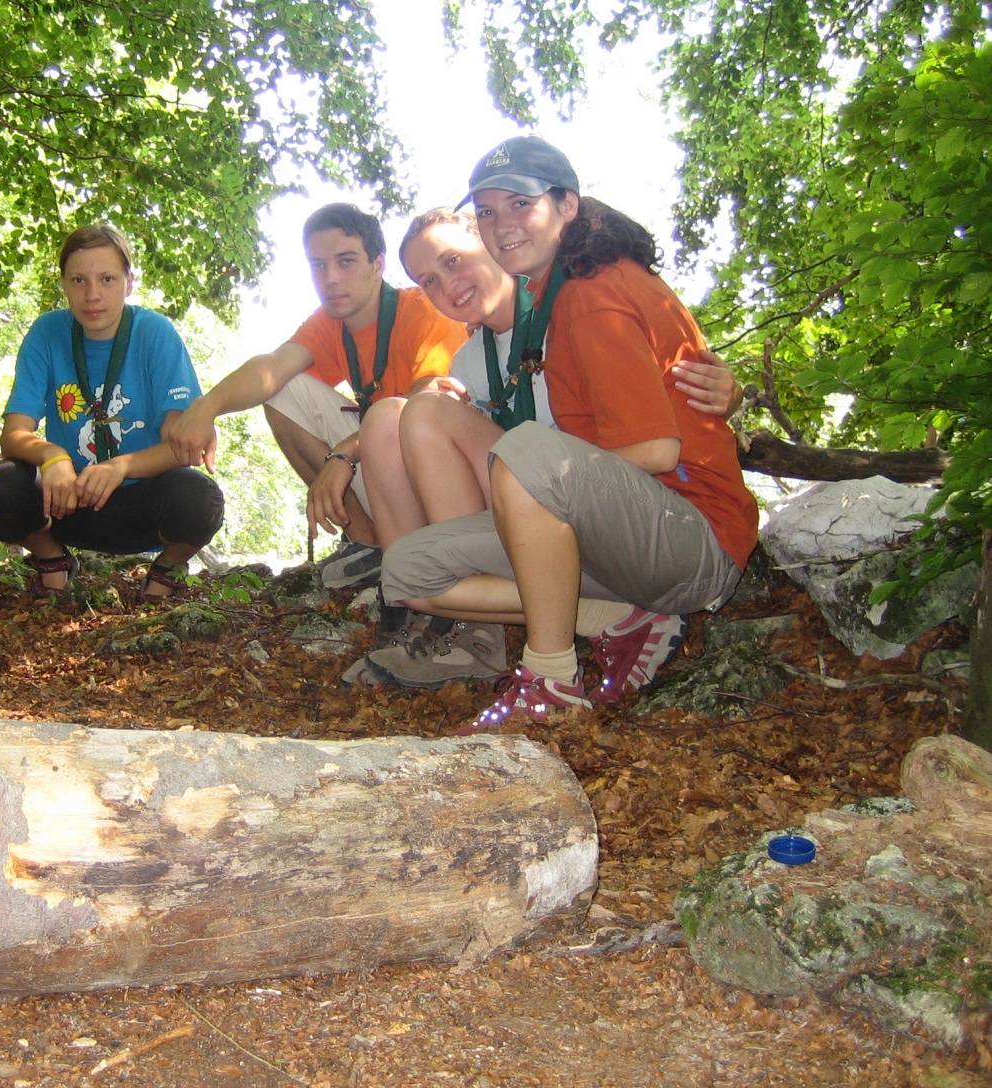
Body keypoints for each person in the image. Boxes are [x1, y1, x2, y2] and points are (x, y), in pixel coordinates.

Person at [378, 136, 758, 725]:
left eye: (519, 204)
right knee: (405, 569)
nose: (502, 223)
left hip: (692, 537)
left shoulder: (592, 292)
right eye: (487, 210)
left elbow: (659, 448)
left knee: (526, 452)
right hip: (615, 538)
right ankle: (623, 625)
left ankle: (551, 680)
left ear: (567, 206)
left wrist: (524, 474)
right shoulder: (551, 296)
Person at [163, 203, 467, 590]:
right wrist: (207, 406)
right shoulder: (331, 323)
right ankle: (365, 544)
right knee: (284, 389)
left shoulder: (423, 312)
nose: (331, 279)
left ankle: (424, 559)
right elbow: (272, 367)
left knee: (396, 418)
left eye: (346, 261)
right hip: (382, 471)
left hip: (441, 486)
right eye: (318, 265)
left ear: (377, 264)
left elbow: (430, 406)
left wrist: (346, 451)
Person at [0, 223, 223, 602]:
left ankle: (166, 571)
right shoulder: (47, 333)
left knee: (199, 497)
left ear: (129, 282)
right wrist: (52, 457)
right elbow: (14, 434)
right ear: (63, 284)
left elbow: (183, 446)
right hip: (66, 501)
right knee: (0, 487)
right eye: (78, 280)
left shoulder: (154, 333)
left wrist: (119, 467)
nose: (92, 295)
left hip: (141, 504)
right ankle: (51, 558)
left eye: (107, 279)